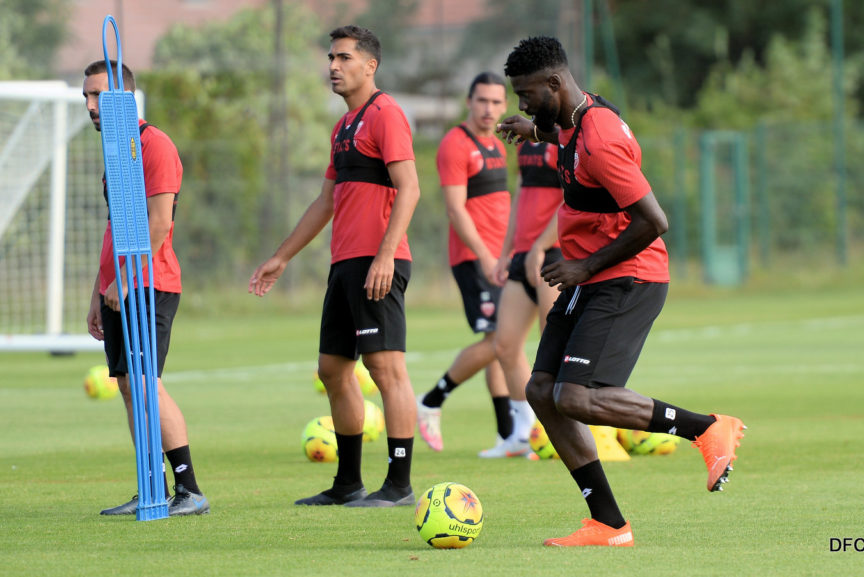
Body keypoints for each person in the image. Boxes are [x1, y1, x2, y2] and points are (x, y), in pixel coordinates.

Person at [497, 36, 746, 547]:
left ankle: (706, 427)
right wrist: (534, 130)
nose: (521, 104)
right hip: (591, 277)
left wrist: (583, 264)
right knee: (543, 391)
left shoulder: (601, 137)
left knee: (578, 396)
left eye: (526, 95)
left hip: (628, 276)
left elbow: (655, 220)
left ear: (555, 83)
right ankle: (609, 524)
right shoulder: (570, 118)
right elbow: (559, 135)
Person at [249, 25, 420, 507]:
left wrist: (386, 255)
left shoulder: (387, 115)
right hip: (344, 264)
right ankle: (348, 484)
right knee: (332, 370)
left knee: (386, 370)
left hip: (377, 262)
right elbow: (326, 201)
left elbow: (409, 188)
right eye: (330, 58)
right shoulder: (343, 127)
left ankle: (400, 486)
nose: (333, 66)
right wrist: (281, 257)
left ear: (371, 66)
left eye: (344, 58)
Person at [83, 60, 209, 516]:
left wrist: (126, 280)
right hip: (118, 287)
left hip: (150, 284)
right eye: (86, 98)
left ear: (124, 97)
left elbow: (159, 225)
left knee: (144, 382)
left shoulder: (153, 144)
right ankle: (149, 486)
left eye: (98, 96)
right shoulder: (115, 151)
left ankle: (189, 489)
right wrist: (99, 293)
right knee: (126, 385)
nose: (91, 106)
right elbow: (116, 229)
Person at [415, 72, 532, 458]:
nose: (490, 109)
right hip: (474, 258)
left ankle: (509, 435)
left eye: (497, 102)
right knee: (501, 342)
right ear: (469, 101)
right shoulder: (454, 144)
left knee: (502, 345)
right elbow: (455, 208)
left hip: (501, 258)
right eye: (482, 101)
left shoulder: (500, 144)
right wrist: (484, 255)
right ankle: (432, 400)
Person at [488, 139, 562, 453]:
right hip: (523, 255)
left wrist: (542, 246)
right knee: (504, 346)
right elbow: (520, 196)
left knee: (552, 348)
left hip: (555, 253)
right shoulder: (526, 141)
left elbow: (575, 200)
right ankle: (523, 433)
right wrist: (507, 251)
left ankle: (561, 433)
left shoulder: (566, 137)